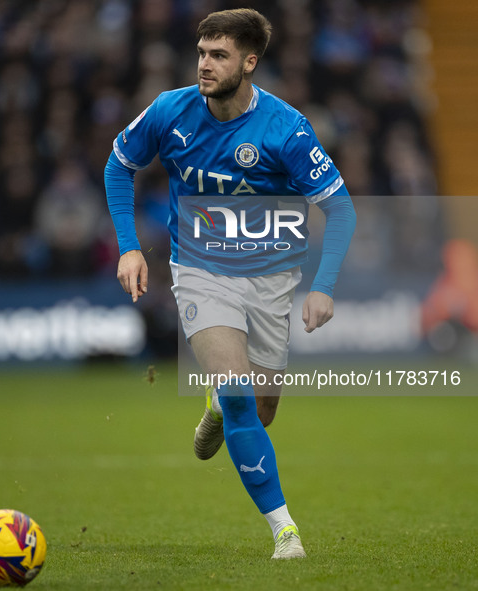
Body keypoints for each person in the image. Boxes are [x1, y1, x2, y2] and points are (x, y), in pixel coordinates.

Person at [105, 8, 356, 560]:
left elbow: (340, 210)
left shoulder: (285, 129)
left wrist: (324, 285)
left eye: (218, 55)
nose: (204, 65)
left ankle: (218, 403)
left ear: (249, 61)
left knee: (259, 409)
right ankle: (285, 531)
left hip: (270, 277)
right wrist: (129, 246)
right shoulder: (170, 111)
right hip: (200, 270)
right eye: (201, 53)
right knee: (246, 399)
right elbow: (118, 165)